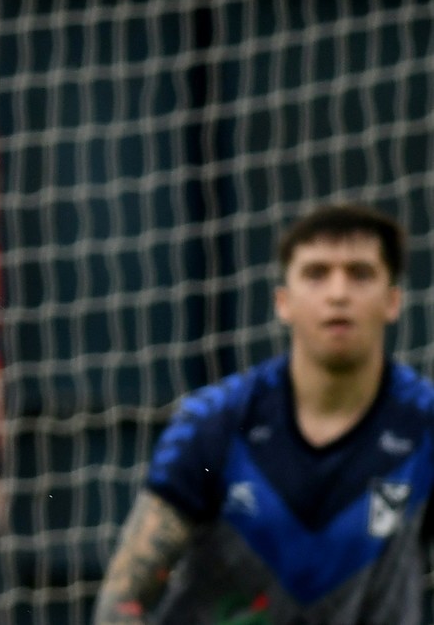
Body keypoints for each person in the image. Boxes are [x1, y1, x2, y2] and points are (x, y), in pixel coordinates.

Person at [92, 202, 434, 625]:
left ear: (393, 300)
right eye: (316, 273)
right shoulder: (215, 422)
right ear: (283, 302)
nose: (338, 293)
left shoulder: (425, 425)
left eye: (360, 274)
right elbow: (120, 603)